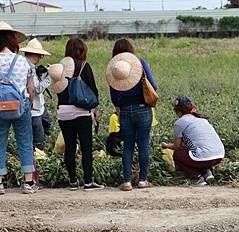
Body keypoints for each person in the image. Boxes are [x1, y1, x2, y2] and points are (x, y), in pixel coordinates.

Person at [107, 38, 158, 191]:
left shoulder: (113, 69)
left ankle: (127, 181)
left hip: (125, 111)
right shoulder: (141, 63)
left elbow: (114, 97)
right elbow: (153, 86)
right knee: (143, 145)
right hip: (143, 109)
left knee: (128, 146)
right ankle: (143, 180)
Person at [54, 37, 104, 191]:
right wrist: (96, 109)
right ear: (82, 51)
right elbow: (93, 90)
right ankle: (88, 182)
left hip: (63, 113)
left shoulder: (59, 68)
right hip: (81, 113)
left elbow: (58, 90)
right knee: (86, 147)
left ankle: (73, 182)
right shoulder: (84, 66)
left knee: (70, 146)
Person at [0, 22, 37, 195]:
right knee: (24, 142)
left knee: (0, 143)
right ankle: (28, 182)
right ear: (12, 39)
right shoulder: (23, 61)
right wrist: (29, 102)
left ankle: (0, 183)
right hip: (21, 106)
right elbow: (31, 89)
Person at [160, 96, 224, 186]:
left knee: (178, 155)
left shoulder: (180, 122)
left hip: (205, 157)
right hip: (219, 155)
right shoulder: (201, 120)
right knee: (195, 153)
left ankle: (196, 177)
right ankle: (207, 173)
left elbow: (177, 146)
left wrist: (165, 145)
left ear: (177, 111)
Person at [21, 38, 51, 150]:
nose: (40, 58)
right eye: (40, 55)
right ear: (35, 54)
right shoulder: (30, 69)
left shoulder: (24, 65)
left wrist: (42, 74)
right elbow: (37, 89)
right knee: (39, 138)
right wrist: (50, 77)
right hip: (34, 110)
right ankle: (38, 155)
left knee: (46, 123)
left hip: (38, 107)